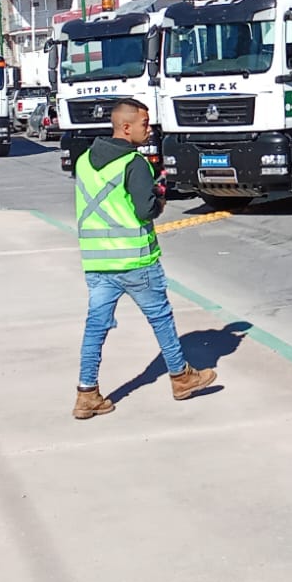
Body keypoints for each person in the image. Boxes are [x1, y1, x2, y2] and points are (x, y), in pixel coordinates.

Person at [72, 97, 216, 419]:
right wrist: (159, 201)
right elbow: (144, 209)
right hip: (136, 261)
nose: (148, 130)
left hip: (97, 262)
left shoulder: (83, 161)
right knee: (161, 319)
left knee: (95, 327)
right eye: (144, 124)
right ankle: (181, 377)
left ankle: (86, 393)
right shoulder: (134, 163)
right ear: (126, 127)